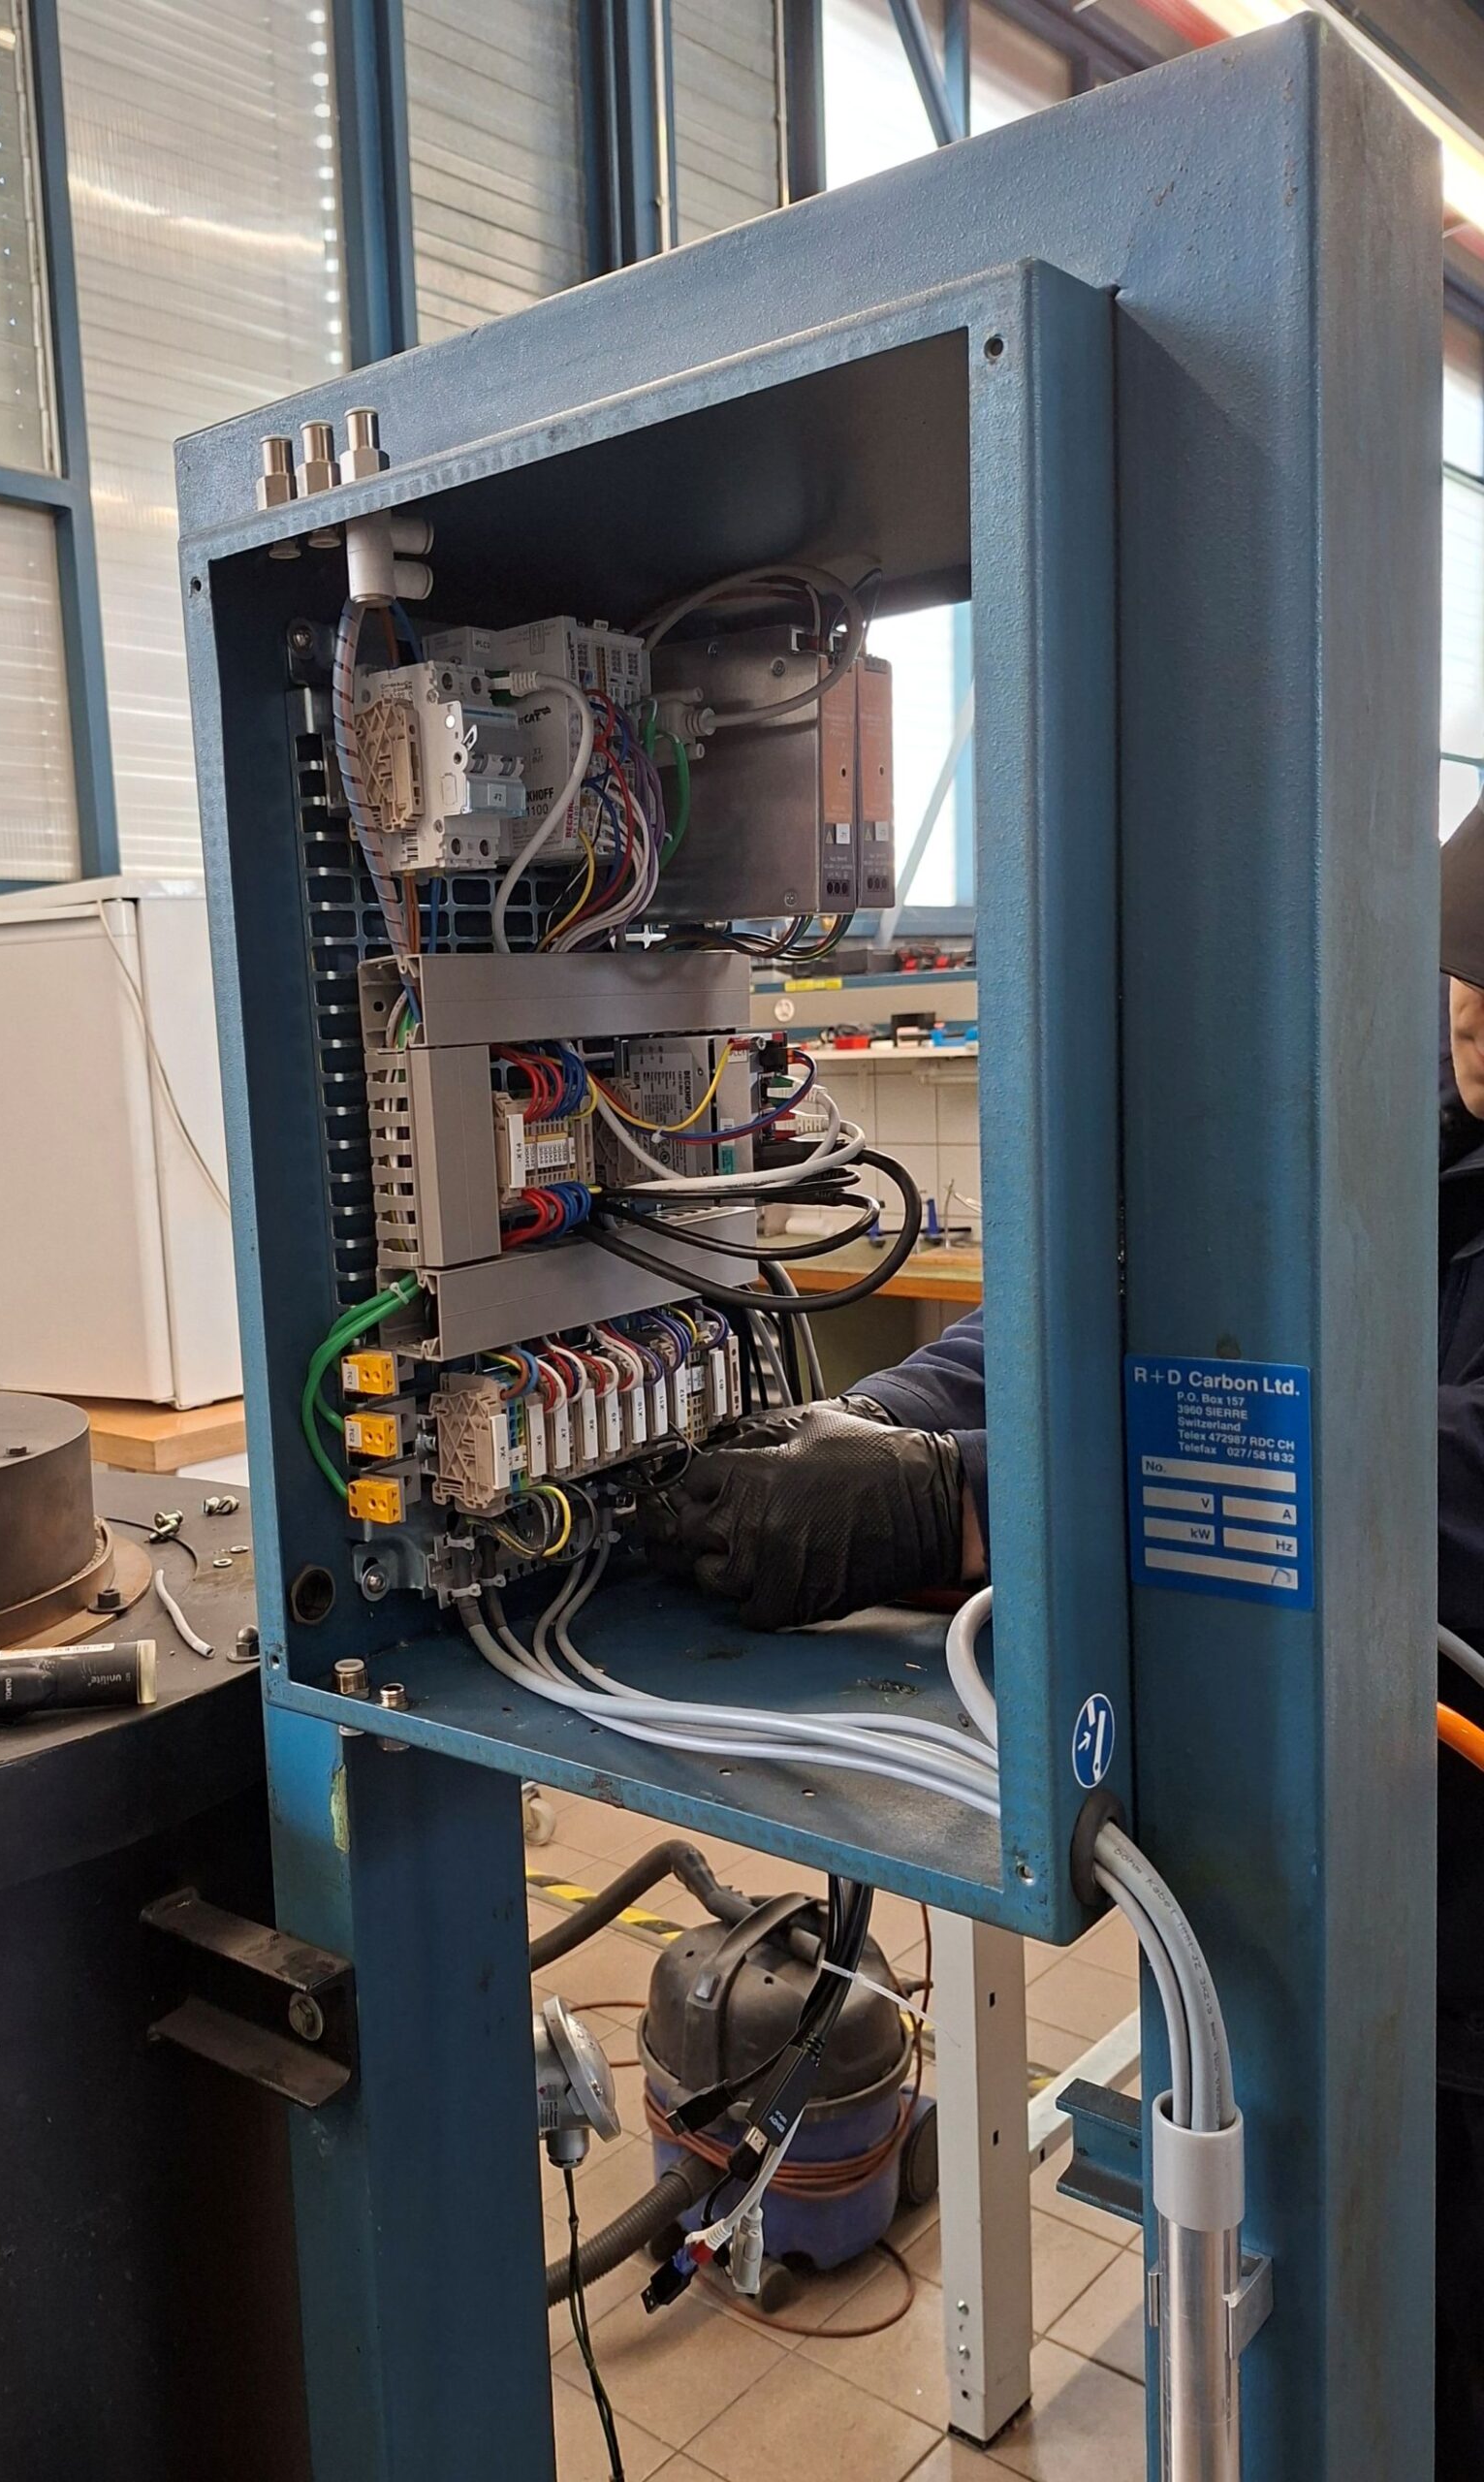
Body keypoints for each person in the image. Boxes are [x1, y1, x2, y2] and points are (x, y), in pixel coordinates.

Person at [642, 809, 1484, 2468]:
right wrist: (882, 1431)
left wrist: (961, 1506)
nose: (1479, 1023)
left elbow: (1423, 1480)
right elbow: (1116, 1286)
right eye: (1467, 978)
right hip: (1323, 1879)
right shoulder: (1404, 1115)